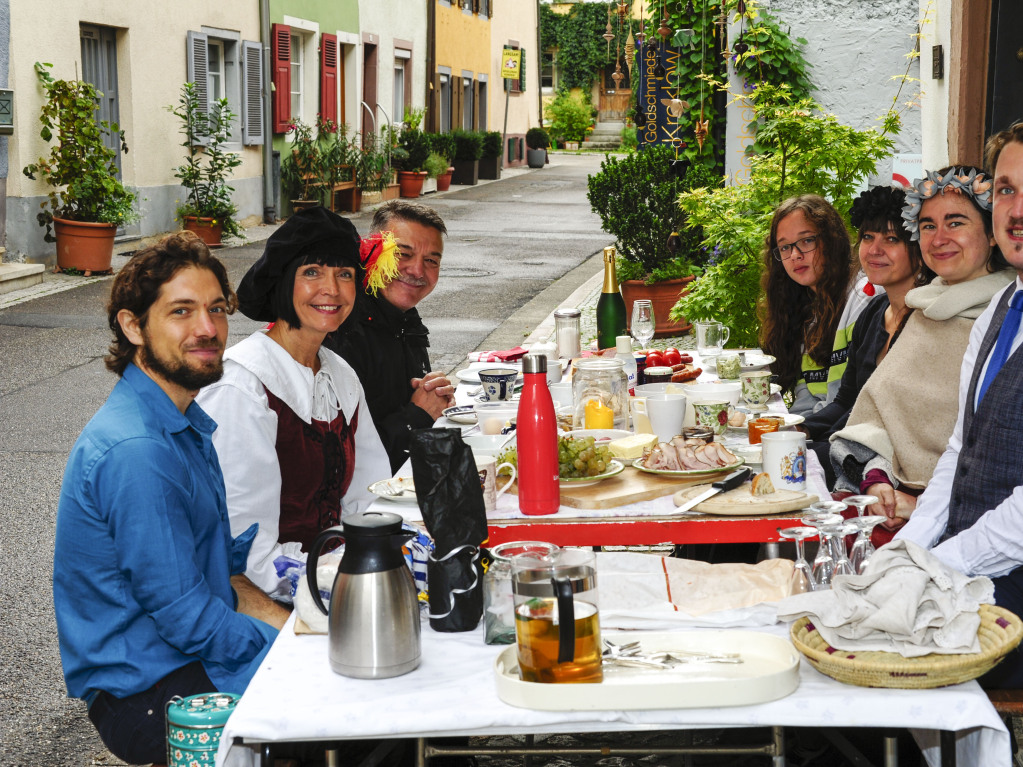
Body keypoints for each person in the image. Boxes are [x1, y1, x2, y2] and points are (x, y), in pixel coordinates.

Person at [53, 233, 278, 766]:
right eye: (182, 311)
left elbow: (220, 578)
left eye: (217, 309)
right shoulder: (139, 450)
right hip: (147, 695)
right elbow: (190, 619)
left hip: (178, 661)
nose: (208, 329)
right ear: (134, 326)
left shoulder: (180, 423)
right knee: (334, 718)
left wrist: (297, 629)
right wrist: (287, 655)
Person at [196, 207, 390, 610]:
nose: (332, 290)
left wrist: (376, 560)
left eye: (345, 274)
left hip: (334, 579)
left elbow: (369, 495)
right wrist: (340, 585)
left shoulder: (340, 376)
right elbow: (242, 547)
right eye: (312, 272)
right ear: (284, 282)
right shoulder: (243, 387)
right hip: (263, 604)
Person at [894, 125, 1023, 688]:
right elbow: (960, 448)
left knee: (896, 655)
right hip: (974, 567)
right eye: (1007, 190)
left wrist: (946, 563)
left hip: (1010, 584)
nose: (1016, 210)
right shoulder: (999, 308)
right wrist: (909, 548)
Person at [831, 165, 1013, 527]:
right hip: (889, 509)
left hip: (973, 529)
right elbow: (882, 417)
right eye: (928, 225)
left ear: (992, 233)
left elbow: (998, 456)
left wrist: (923, 509)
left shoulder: (1007, 321)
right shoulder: (924, 310)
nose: (938, 238)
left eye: (956, 222)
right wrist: (878, 479)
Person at [799, 187, 935, 483]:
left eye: (891, 239)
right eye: (867, 237)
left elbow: (891, 418)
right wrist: (801, 428)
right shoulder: (874, 311)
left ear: (919, 247)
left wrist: (819, 444)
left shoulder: (928, 320)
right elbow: (848, 398)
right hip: (853, 446)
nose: (874, 250)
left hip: (895, 467)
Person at [323, 200, 455, 473]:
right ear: (370, 251)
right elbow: (342, 460)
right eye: (402, 254)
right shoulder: (341, 329)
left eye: (431, 261)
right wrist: (417, 415)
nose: (417, 271)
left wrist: (433, 396)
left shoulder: (402, 317)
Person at [759, 194, 875, 417]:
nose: (795, 255)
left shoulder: (863, 297)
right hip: (815, 427)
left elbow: (851, 401)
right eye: (784, 247)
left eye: (807, 241)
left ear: (831, 240)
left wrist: (803, 431)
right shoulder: (806, 308)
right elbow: (808, 391)